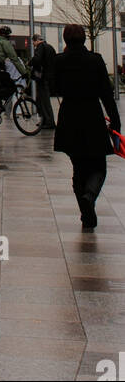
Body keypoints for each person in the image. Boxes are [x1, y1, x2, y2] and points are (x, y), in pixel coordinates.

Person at [52, 23, 121, 231]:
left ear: (65, 39)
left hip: (69, 117)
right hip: (92, 117)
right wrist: (115, 121)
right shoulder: (95, 60)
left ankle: (85, 210)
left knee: (78, 167)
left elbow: (53, 87)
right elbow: (106, 94)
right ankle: (90, 195)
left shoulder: (59, 61)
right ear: (83, 39)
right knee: (99, 166)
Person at [0, 26, 28, 127]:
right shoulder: (5, 43)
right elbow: (14, 58)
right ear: (8, 35)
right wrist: (24, 72)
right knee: (11, 86)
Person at [31, 33, 57, 130]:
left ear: (36, 40)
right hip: (50, 77)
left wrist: (31, 62)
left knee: (43, 100)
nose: (33, 44)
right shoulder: (50, 47)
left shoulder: (40, 47)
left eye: (33, 42)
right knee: (44, 100)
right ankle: (45, 121)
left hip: (43, 77)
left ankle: (48, 122)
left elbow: (37, 59)